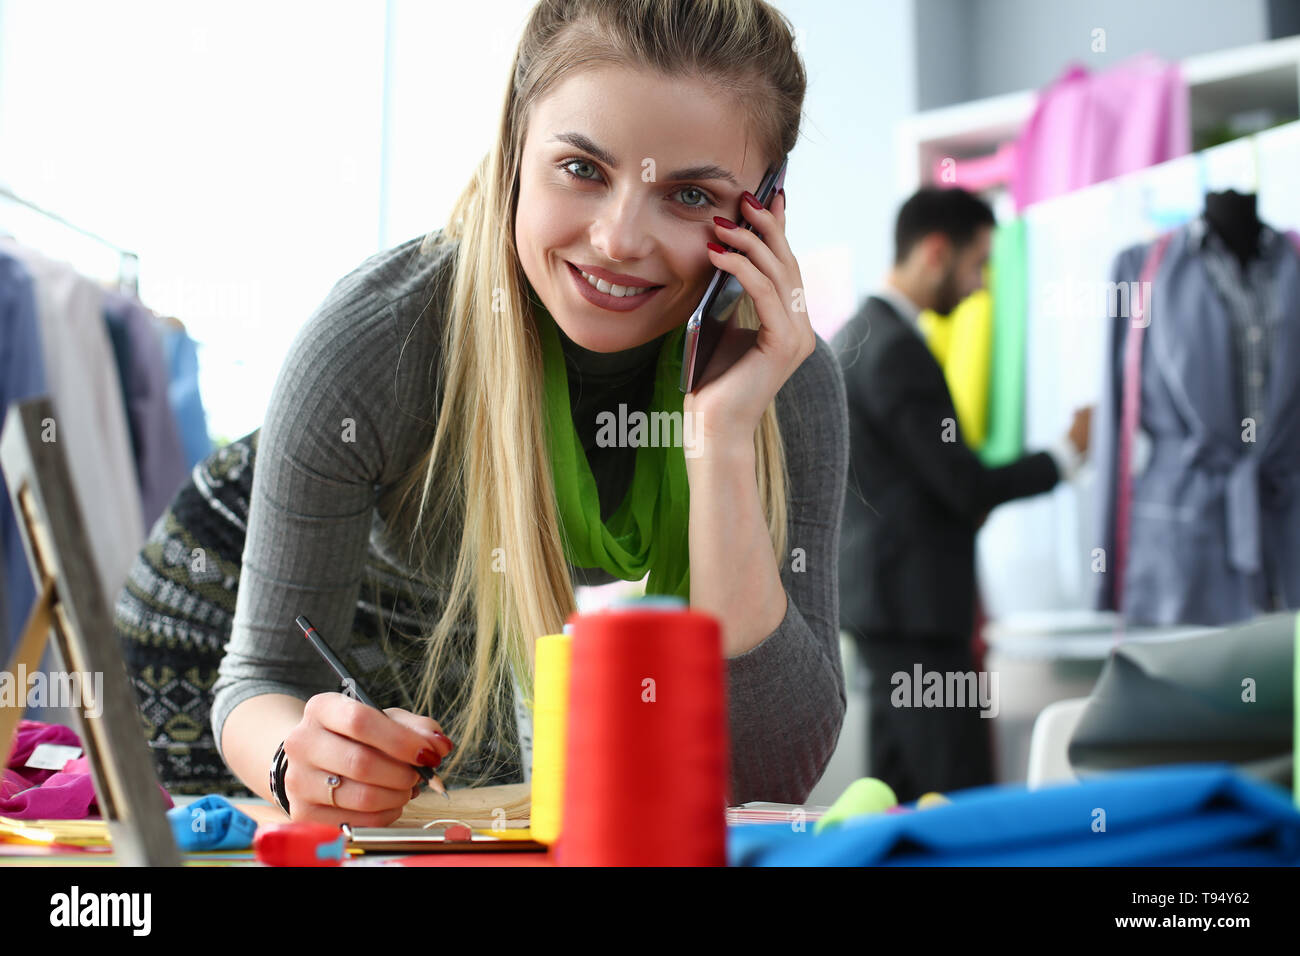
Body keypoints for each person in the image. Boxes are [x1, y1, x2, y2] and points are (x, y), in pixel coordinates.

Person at [113, 0, 849, 826]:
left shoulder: (788, 384)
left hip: (466, 637)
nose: (617, 240)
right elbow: (259, 677)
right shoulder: (377, 336)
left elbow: (770, 779)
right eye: (581, 169)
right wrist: (297, 759)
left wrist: (721, 443)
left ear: (763, 210)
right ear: (514, 150)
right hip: (233, 616)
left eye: (687, 194)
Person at [832, 186, 1090, 803]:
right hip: (917, 614)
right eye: (978, 265)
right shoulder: (894, 349)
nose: (980, 285)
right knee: (960, 801)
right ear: (936, 252)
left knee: (901, 801)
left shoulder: (859, 336)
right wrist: (1066, 453)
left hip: (889, 610)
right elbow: (962, 484)